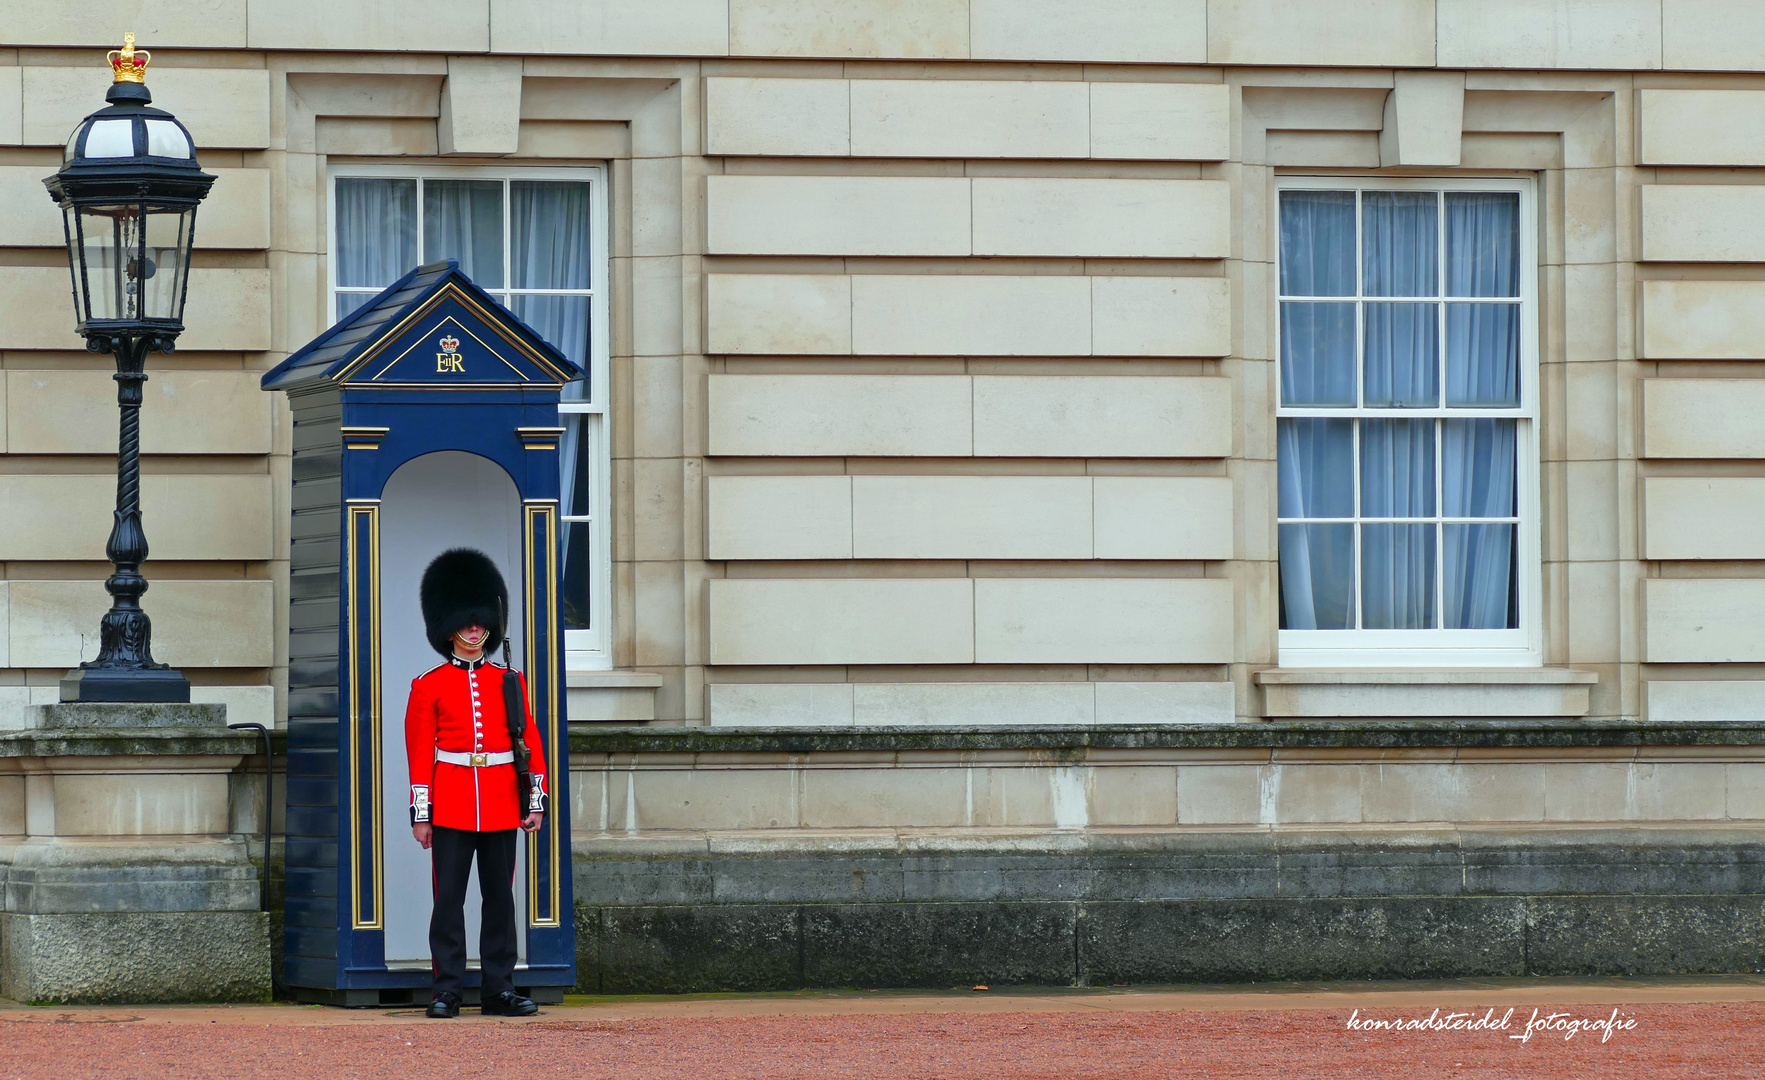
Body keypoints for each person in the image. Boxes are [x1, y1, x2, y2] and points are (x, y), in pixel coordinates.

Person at [405, 547, 547, 1018]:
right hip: (450, 802)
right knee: (448, 902)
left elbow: (529, 741)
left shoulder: (510, 679)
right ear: (448, 626)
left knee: (499, 900)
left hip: (502, 800)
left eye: (479, 620)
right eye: (465, 621)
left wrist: (536, 800)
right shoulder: (428, 684)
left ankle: (498, 989)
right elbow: (420, 754)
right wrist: (421, 814)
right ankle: (446, 988)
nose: (473, 628)